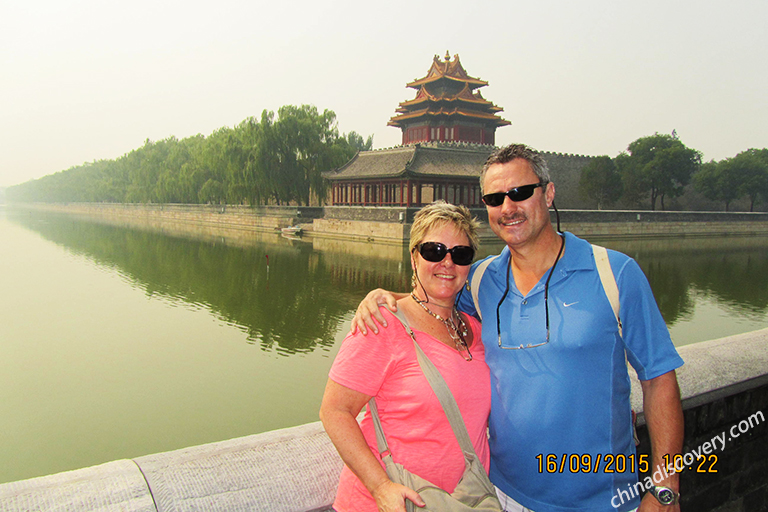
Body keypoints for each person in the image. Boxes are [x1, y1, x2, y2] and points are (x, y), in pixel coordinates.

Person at [351, 144, 685, 512]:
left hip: (603, 499)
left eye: (520, 192)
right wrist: (385, 297)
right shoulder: (482, 281)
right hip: (504, 495)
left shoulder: (614, 274)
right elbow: (434, 300)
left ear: (549, 192)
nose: (508, 207)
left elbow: (659, 379)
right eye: (495, 198)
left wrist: (665, 485)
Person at [320, 201, 494, 512]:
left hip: (463, 500)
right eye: (434, 251)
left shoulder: (477, 330)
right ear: (414, 257)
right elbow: (335, 411)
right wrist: (381, 487)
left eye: (461, 254)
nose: (447, 262)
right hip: (388, 503)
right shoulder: (382, 324)